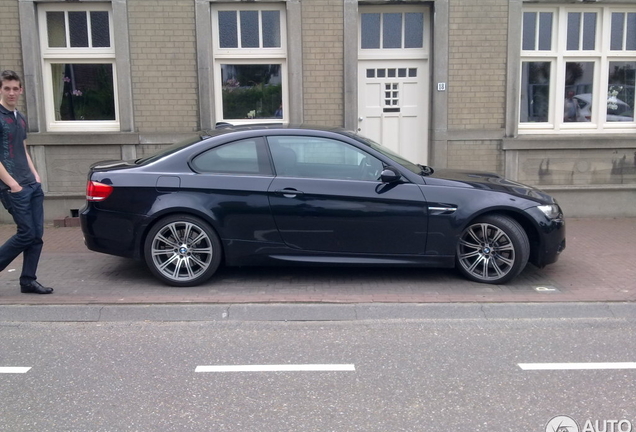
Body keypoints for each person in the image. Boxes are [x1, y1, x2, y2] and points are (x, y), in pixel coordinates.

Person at [0, 70, 53, 294]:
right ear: (1, 89)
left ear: (20, 90)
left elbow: (22, 147)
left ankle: (28, 280)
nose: (12, 93)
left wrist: (36, 175)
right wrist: (13, 184)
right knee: (26, 233)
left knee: (36, 236)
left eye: (15, 88)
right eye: (7, 88)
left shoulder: (19, 117)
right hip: (13, 188)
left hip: (31, 184)